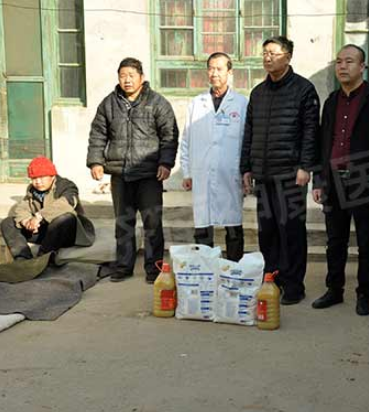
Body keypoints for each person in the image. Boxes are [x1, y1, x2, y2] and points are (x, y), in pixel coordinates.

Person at [240, 36, 320, 305]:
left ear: (288, 57)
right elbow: (249, 132)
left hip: (290, 174)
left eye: (273, 53)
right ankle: (272, 279)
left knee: (291, 231)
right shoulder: (258, 93)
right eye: (264, 53)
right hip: (264, 175)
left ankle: (294, 285)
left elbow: (311, 132)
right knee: (268, 232)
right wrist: (246, 167)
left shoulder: (304, 90)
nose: (267, 58)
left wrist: (305, 166)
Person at [311, 44, 369, 315]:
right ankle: (334, 289)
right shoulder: (332, 101)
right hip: (333, 178)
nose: (343, 66)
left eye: (349, 61)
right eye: (339, 61)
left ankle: (364, 294)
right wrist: (319, 180)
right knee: (335, 240)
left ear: (362, 67)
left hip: (366, 177)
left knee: (366, 241)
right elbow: (324, 141)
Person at [87, 57, 179, 283]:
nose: (127, 80)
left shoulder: (157, 103)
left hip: (149, 174)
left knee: (152, 224)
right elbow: (98, 134)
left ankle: (154, 269)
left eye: (131, 75)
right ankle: (123, 267)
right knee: (123, 223)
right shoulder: (109, 104)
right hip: (120, 174)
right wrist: (96, 162)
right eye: (122, 76)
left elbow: (169, 135)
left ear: (141, 77)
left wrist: (165, 163)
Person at [180, 52, 247, 261]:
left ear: (230, 72)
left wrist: (246, 172)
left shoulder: (241, 103)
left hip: (230, 174)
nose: (214, 73)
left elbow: (247, 141)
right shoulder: (196, 103)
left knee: (233, 226)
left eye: (219, 69)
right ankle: (205, 269)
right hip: (202, 173)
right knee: (203, 226)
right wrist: (186, 172)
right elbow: (186, 139)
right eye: (211, 68)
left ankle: (234, 268)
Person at [1, 156, 95, 262]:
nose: (38, 182)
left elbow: (66, 204)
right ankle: (23, 259)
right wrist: (26, 221)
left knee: (65, 218)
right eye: (34, 178)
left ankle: (43, 258)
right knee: (8, 222)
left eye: (42, 177)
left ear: (52, 176)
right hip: (46, 233)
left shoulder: (66, 186)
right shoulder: (32, 189)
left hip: (68, 233)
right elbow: (23, 207)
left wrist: (39, 216)